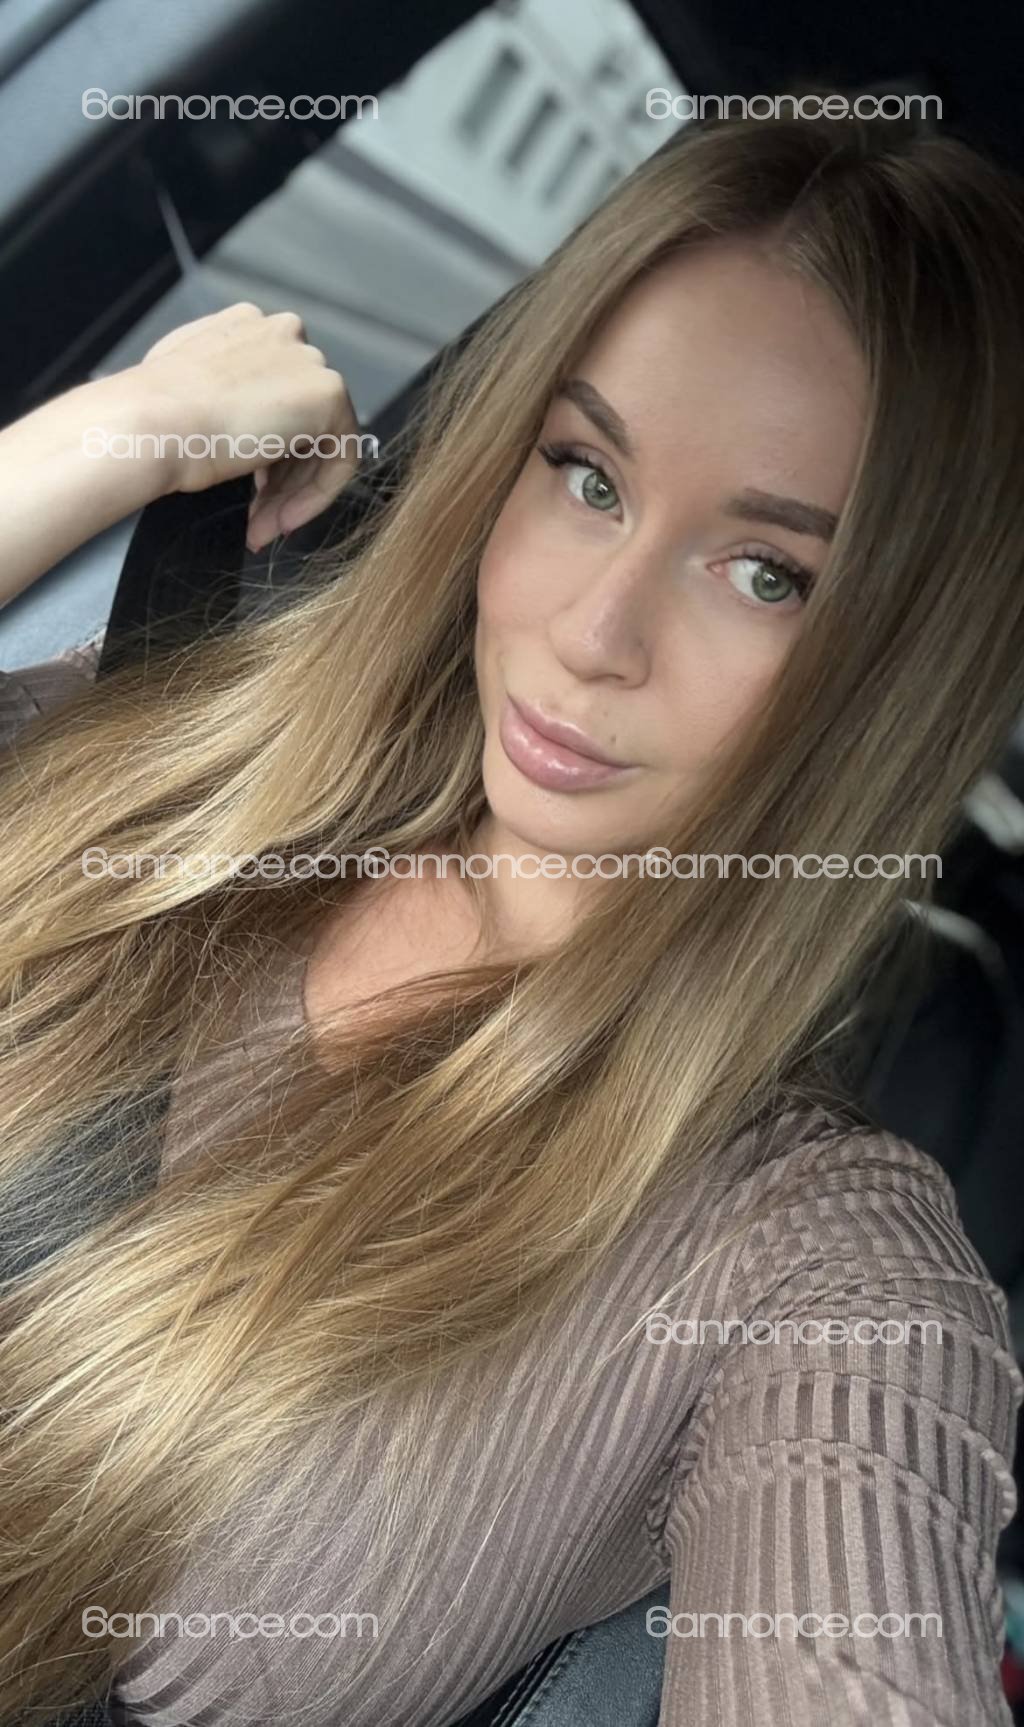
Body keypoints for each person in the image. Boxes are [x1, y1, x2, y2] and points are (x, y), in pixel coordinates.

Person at [0, 96, 1022, 1727]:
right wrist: (109, 437)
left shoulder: (809, 1259)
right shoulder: (192, 764)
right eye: (588, 475)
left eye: (767, 573)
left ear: (889, 676)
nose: (595, 633)